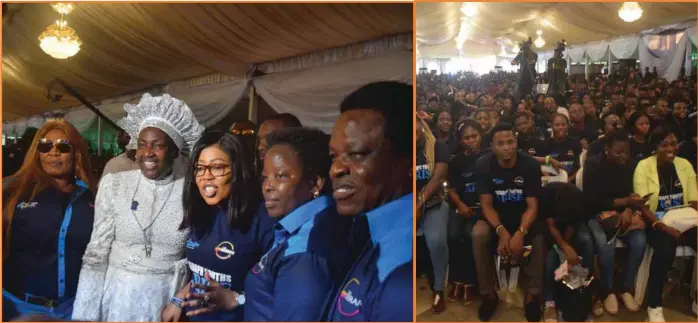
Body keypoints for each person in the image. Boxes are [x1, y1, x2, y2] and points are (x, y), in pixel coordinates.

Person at [72, 93, 205, 321]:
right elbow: (96, 253)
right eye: (142, 145)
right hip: (115, 298)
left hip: (167, 303)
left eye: (158, 145)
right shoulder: (116, 184)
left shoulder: (192, 191)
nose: (147, 153)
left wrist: (181, 298)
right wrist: (85, 314)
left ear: (175, 151)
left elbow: (203, 259)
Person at [161, 130, 276, 322]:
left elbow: (277, 295)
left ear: (238, 170)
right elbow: (203, 274)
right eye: (199, 168)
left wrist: (237, 299)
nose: (206, 176)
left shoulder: (262, 221)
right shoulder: (201, 212)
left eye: (217, 168)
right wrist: (178, 299)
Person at [323, 81, 413, 321]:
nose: (336, 170)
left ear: (409, 161)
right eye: (334, 156)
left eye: (358, 154)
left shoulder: (402, 282)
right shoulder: (369, 229)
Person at [244, 128, 353, 321]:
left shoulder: (303, 253)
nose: (268, 186)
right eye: (265, 176)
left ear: (315, 184)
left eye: (281, 176)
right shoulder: (317, 220)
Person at [2, 121, 96, 321]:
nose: (54, 152)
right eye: (45, 146)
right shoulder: (12, 191)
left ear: (76, 152)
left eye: (63, 146)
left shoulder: (92, 197)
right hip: (19, 309)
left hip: (74, 310)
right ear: (37, 152)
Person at [472, 123, 545, 322]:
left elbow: (532, 207)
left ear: (516, 142)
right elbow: (486, 205)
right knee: (478, 234)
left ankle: (532, 295)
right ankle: (488, 294)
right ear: (492, 147)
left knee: (538, 236)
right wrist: (502, 232)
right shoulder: (483, 165)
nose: (507, 147)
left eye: (510, 142)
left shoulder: (530, 165)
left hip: (523, 216)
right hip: (495, 218)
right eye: (501, 143)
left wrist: (520, 232)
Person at [633, 127, 697, 322]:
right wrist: (663, 226)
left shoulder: (684, 164)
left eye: (674, 143)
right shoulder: (644, 166)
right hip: (656, 222)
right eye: (665, 145)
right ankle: (654, 304)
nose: (671, 148)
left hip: (685, 219)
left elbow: (694, 200)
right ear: (655, 148)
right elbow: (642, 206)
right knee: (665, 251)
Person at [583, 131, 646, 316]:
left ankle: (625, 287)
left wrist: (628, 210)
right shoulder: (593, 164)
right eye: (618, 152)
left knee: (640, 241)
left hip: (623, 213)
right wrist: (625, 203)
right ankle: (607, 289)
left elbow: (633, 194)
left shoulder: (630, 165)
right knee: (605, 243)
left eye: (626, 152)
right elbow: (591, 199)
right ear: (607, 149)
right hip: (596, 214)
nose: (623, 156)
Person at [540, 182, 594, 322]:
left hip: (571, 227)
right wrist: (564, 247)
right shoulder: (547, 195)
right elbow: (551, 226)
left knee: (586, 241)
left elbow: (573, 224)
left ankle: (585, 288)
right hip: (548, 227)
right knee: (552, 256)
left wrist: (568, 247)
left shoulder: (577, 198)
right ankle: (549, 301)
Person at [445, 120, 483, 305]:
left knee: (469, 235)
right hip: (460, 205)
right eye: (466, 138)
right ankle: (457, 280)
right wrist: (460, 205)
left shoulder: (488, 157)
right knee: (452, 235)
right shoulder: (456, 161)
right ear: (460, 141)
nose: (471, 141)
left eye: (474, 136)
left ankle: (469, 282)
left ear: (481, 137)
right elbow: (451, 189)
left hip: (480, 208)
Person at [416, 116, 449, 314]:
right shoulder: (398, 149)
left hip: (433, 204)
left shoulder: (438, 146)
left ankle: (438, 288)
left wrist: (419, 202)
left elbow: (437, 178)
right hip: (406, 204)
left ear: (421, 124)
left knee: (436, 241)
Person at [540, 113, 581, 182]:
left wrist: (567, 181)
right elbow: (542, 166)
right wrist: (551, 180)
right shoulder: (544, 144)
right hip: (551, 181)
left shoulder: (575, 143)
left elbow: (580, 168)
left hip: (571, 182)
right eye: (557, 125)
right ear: (552, 126)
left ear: (568, 126)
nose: (560, 127)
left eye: (563, 124)